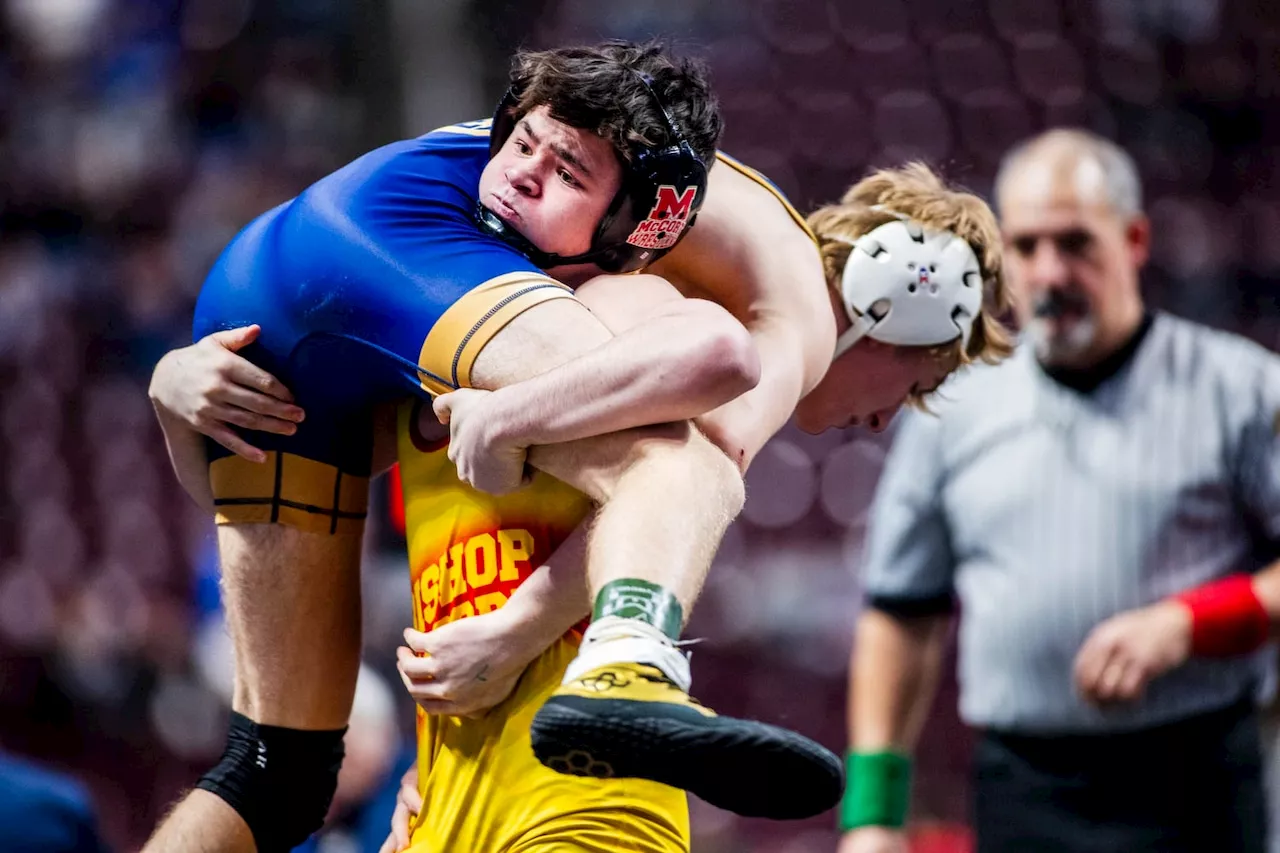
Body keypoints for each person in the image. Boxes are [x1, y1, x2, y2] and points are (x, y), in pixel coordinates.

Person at [153, 150, 1013, 850]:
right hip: (562, 785)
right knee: (701, 472)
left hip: (478, 786)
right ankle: (631, 668)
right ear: (893, 305)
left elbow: (304, 449)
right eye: (918, 380)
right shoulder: (644, 308)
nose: (886, 417)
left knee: (266, 774)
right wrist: (517, 626)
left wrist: (181, 393)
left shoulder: (474, 321)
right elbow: (708, 447)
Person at [837, 129, 1280, 853]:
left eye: (1076, 243)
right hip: (1024, 786)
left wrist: (1188, 623)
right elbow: (900, 612)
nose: (1049, 272)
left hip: (1196, 780)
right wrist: (871, 813)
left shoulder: (1239, 387)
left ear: (1134, 239)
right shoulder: (952, 408)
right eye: (1027, 245)